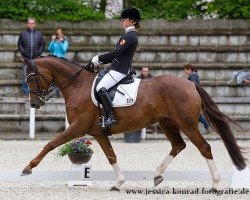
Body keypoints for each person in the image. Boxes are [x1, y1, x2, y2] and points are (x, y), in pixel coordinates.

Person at [91, 7, 141, 128]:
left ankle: (111, 118)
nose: (122, 22)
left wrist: (99, 59)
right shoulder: (129, 34)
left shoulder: (130, 36)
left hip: (120, 69)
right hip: (117, 67)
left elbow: (116, 53)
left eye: (124, 19)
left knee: (101, 88)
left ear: (132, 21)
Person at [17, 17, 45, 96]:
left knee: (37, 76)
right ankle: (26, 93)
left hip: (36, 59)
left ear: (35, 24)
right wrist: (23, 52)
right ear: (27, 24)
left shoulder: (39, 34)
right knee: (25, 76)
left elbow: (42, 44)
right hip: (26, 59)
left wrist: (39, 52)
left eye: (32, 23)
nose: (31, 24)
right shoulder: (23, 33)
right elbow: (19, 44)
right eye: (30, 23)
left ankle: (36, 92)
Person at [184, 64, 210, 134]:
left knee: (196, 115)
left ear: (189, 69)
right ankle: (205, 127)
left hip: (193, 98)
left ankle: (206, 126)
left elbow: (194, 86)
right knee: (195, 114)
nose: (185, 72)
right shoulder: (194, 76)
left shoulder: (193, 76)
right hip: (194, 98)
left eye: (185, 70)